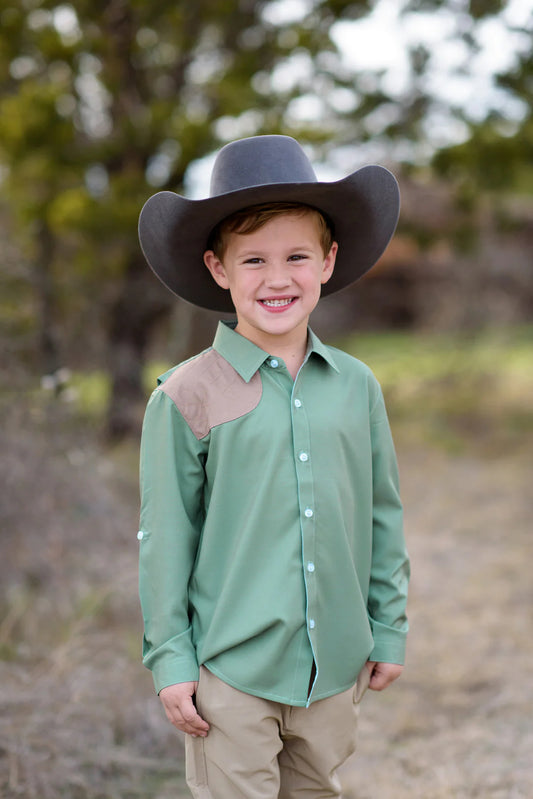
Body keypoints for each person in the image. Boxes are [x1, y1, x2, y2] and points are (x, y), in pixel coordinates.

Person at [137, 134, 410, 799]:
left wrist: (389, 625)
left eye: (295, 256)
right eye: (253, 259)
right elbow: (167, 537)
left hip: (333, 666)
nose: (277, 278)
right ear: (218, 268)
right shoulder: (184, 394)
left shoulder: (355, 385)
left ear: (327, 261)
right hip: (229, 671)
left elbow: (381, 511)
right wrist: (171, 661)